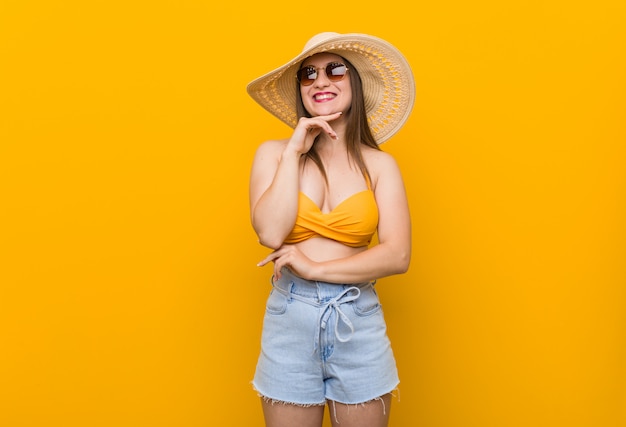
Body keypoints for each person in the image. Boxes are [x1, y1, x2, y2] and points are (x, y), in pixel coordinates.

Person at [246, 32, 415, 427]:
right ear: (301, 90)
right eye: (309, 74)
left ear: (353, 81)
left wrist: (315, 269)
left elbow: (398, 254)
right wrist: (294, 151)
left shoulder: (379, 165)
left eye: (334, 69)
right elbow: (270, 233)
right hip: (291, 316)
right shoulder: (273, 154)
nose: (321, 81)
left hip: (357, 314)